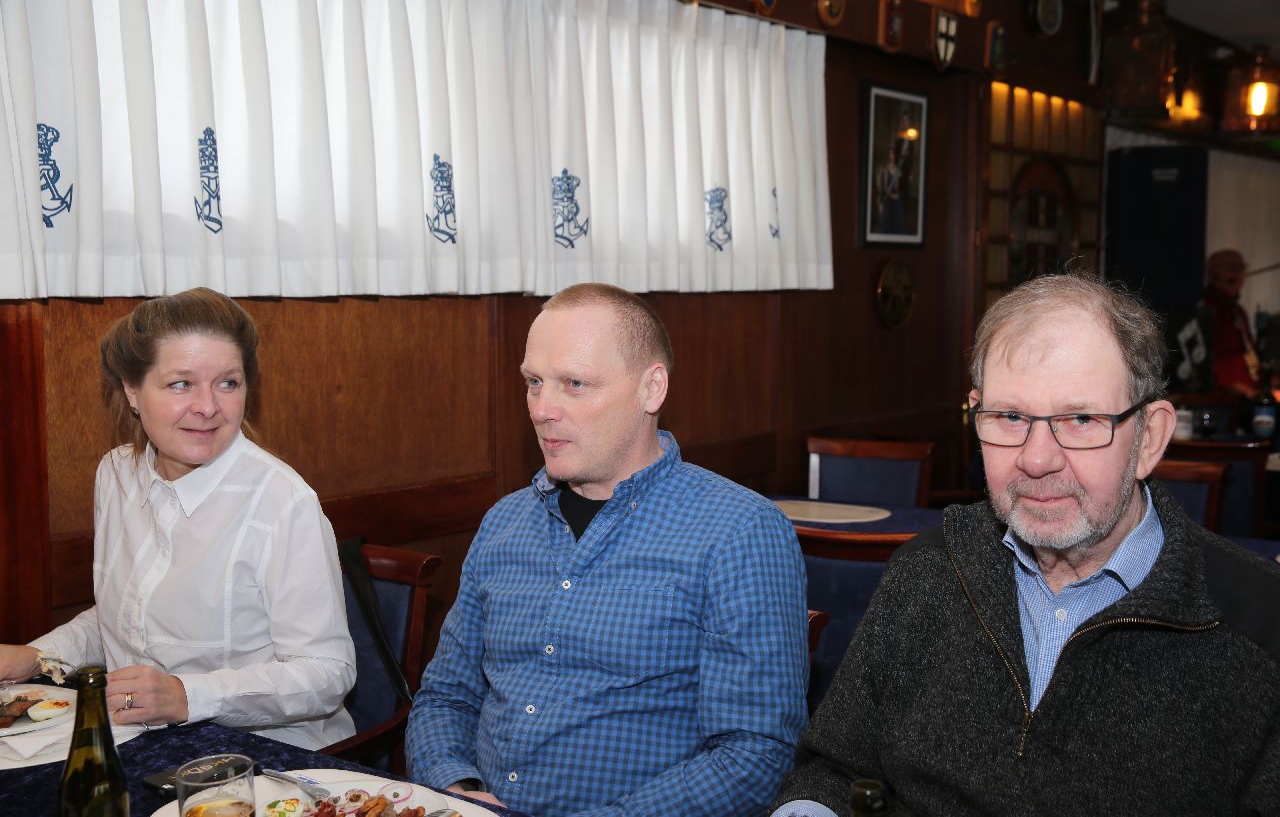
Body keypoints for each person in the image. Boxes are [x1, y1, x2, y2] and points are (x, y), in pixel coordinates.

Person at [772, 272, 1280, 815]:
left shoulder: (1261, 625)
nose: (1037, 460)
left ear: (1150, 437)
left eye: (1080, 419)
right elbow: (834, 771)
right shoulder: (925, 572)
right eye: (1010, 417)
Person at [406, 283, 809, 815]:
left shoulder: (739, 532)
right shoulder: (504, 522)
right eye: (533, 382)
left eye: (575, 384)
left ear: (651, 389)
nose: (542, 409)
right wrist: (454, 790)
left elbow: (754, 755)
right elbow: (445, 696)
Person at [0, 288, 356, 748]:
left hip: (265, 752)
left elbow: (328, 675)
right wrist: (38, 656)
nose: (208, 406)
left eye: (228, 383)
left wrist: (186, 695)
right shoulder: (116, 475)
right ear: (132, 390)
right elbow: (130, 616)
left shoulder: (283, 503)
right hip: (139, 737)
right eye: (181, 384)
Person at [1202, 248, 1260, 398]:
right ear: (1213, 274)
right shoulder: (1207, 308)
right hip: (1224, 396)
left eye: (1241, 268)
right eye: (1231, 268)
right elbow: (1207, 360)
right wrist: (1233, 387)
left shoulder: (1238, 311)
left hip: (1247, 390)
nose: (1238, 274)